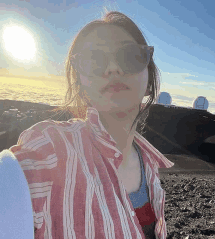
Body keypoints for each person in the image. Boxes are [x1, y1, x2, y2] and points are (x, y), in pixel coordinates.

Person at [8, 11, 174, 239]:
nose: (112, 68)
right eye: (94, 60)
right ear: (81, 86)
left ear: (148, 80)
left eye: (129, 56)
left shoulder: (150, 165)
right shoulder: (52, 148)